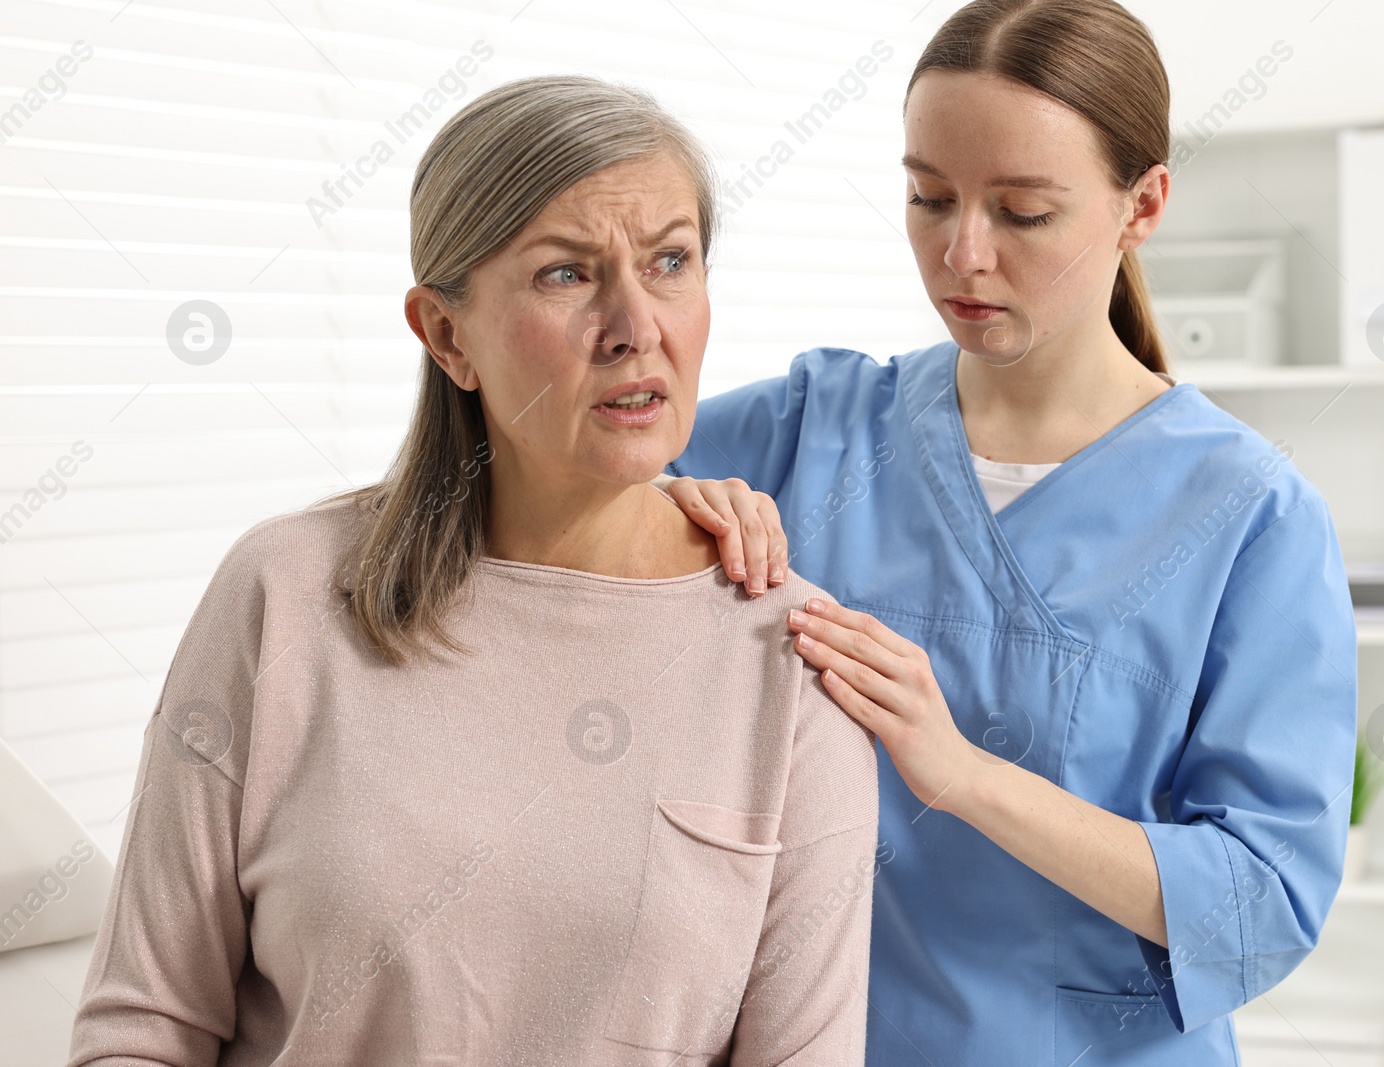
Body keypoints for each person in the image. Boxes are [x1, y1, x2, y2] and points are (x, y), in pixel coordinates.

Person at [68, 75, 878, 1067]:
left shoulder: (792, 661)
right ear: (446, 335)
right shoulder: (283, 594)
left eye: (670, 261)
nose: (636, 326)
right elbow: (144, 1024)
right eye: (565, 276)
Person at [660, 1, 1357, 1062]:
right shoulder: (810, 429)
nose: (961, 254)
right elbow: (538, 502)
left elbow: (1261, 902)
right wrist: (668, 504)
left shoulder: (1246, 515)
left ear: (1143, 205)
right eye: (927, 197)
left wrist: (963, 773)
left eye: (1023, 212)